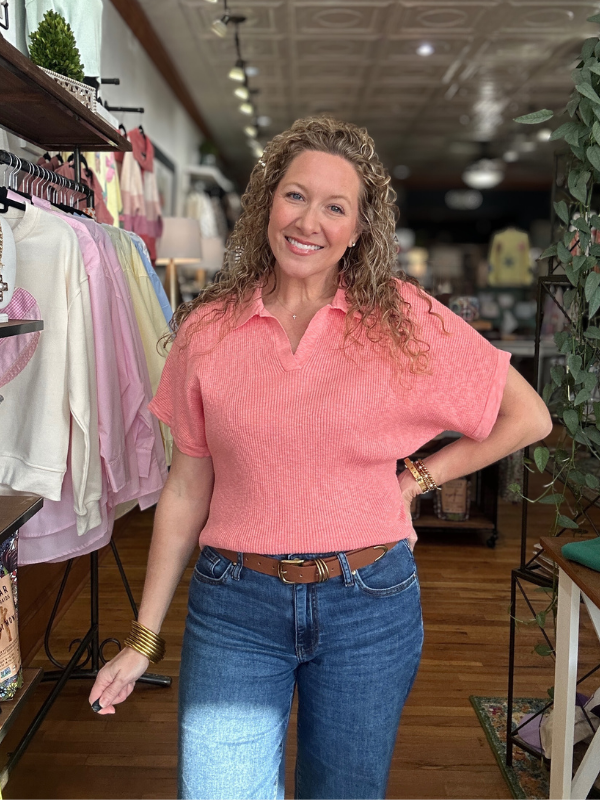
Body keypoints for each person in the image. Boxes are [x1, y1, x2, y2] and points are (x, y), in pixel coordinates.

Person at [89, 117, 552, 800]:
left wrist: (417, 479)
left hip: (370, 606)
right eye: (296, 196)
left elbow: (529, 417)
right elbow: (185, 488)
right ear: (267, 203)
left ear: (360, 229)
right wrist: (142, 639)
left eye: (336, 207)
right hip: (234, 606)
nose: (309, 222)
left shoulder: (402, 318)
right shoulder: (209, 328)